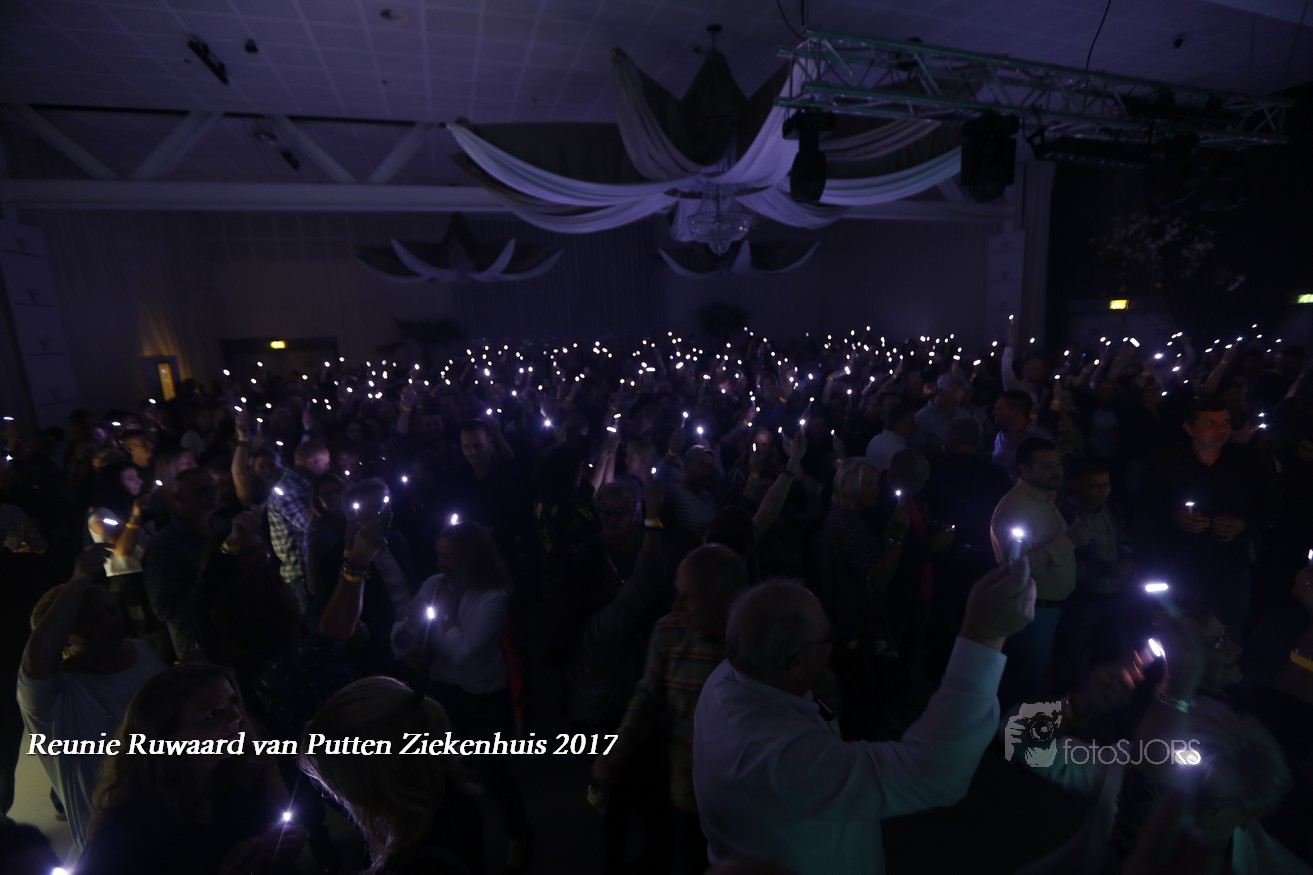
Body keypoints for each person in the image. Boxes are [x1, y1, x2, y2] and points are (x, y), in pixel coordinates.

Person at [692, 560, 1035, 875]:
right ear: (796, 662)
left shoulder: (726, 678)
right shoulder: (779, 761)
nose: (834, 643)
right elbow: (933, 773)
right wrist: (984, 635)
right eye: (828, 637)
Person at [593, 544, 750, 875]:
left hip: (745, 802)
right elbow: (647, 696)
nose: (676, 605)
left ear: (725, 601)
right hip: (687, 794)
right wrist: (617, 751)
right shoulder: (668, 631)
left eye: (688, 597)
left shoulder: (755, 644)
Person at [391, 521, 531, 870]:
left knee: (494, 774)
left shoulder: (493, 598)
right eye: (438, 555)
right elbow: (407, 631)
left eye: (448, 557)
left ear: (472, 558)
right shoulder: (435, 584)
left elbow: (464, 654)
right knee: (451, 774)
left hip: (484, 695)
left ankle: (520, 834)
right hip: (444, 691)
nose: (440, 564)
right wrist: (409, 627)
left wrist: (446, 619)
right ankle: (464, 847)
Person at [77, 662, 305, 875]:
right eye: (212, 714)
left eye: (233, 701)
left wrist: (290, 843)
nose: (235, 715)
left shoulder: (252, 765)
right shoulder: (127, 825)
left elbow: (289, 833)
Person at [17, 543, 168, 855]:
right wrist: (78, 582)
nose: (112, 621)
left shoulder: (143, 653)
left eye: (112, 611)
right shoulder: (51, 698)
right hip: (111, 844)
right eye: (94, 618)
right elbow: (35, 660)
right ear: (66, 635)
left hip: (171, 816)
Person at [300, 677, 484, 875]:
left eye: (337, 784)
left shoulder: (425, 864)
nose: (332, 795)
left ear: (379, 777)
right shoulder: (450, 800)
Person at [1140, 395, 1276, 636]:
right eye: (1210, 423)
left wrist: (1243, 524)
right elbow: (1146, 502)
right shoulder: (1167, 460)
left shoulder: (1250, 461)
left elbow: (1272, 506)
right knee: (1182, 631)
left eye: (1225, 422)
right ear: (1189, 428)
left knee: (1230, 628)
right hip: (1182, 562)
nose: (1221, 430)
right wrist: (1175, 517)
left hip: (1231, 563)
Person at [990, 437, 1092, 704]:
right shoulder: (1016, 508)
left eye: (1058, 464)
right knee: (1028, 681)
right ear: (1025, 470)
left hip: (1050, 608)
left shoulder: (1044, 499)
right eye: (1047, 466)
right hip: (1034, 610)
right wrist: (1068, 541)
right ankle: (1016, 728)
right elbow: (1015, 567)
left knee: (1039, 676)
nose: (1057, 471)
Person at [1057, 458, 1135, 687]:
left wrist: (1127, 561)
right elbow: (1063, 562)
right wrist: (1105, 569)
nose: (1102, 492)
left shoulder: (1112, 509)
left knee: (1109, 658)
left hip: (1113, 598)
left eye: (1106, 485)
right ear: (1076, 486)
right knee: (1069, 661)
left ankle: (1100, 701)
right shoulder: (1063, 515)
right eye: (1094, 486)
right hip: (1079, 601)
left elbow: (1122, 540)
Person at [141, 467, 229, 659]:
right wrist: (215, 596)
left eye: (213, 488)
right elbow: (164, 607)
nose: (212, 493)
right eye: (201, 490)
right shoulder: (165, 545)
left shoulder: (221, 526)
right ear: (178, 498)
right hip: (200, 641)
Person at [267, 439, 332, 612]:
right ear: (310, 463)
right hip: (302, 576)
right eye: (325, 463)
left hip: (315, 569)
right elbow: (312, 526)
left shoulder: (308, 486)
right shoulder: (288, 489)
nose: (328, 468)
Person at [991, 390, 1051, 480]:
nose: (994, 412)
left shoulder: (1041, 439)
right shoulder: (1001, 436)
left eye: (999, 408)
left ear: (1014, 412)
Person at [913, 373, 971, 452]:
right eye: (952, 398)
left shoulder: (964, 415)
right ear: (940, 392)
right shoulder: (922, 418)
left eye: (959, 399)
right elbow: (916, 450)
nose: (956, 403)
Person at [864, 404, 916, 472]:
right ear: (898, 424)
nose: (915, 427)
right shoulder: (901, 452)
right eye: (912, 423)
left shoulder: (875, 440)